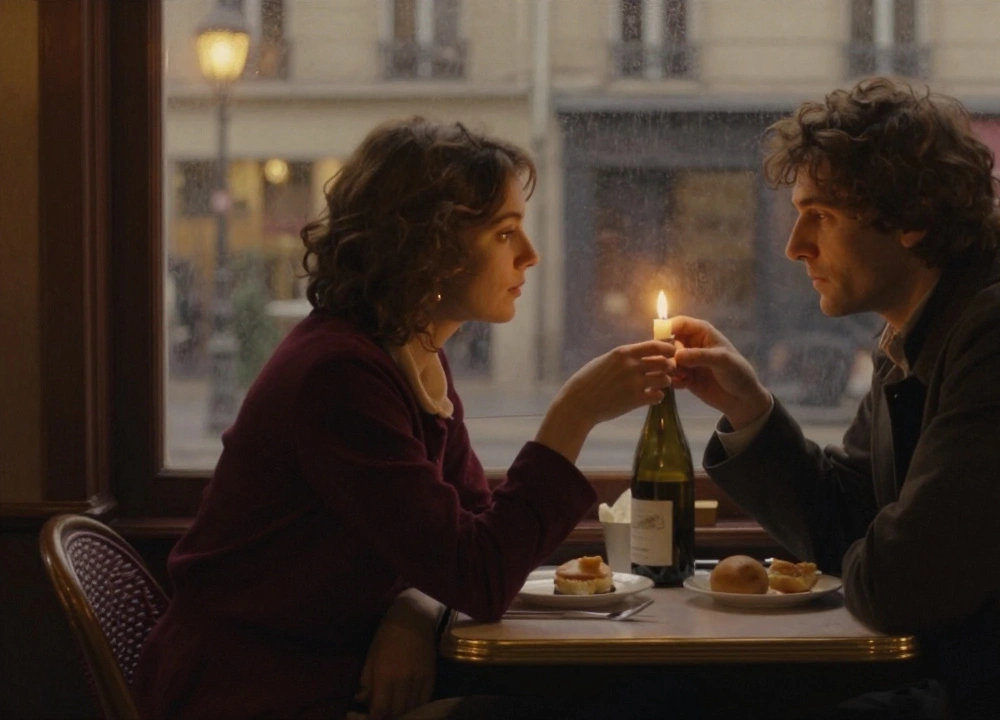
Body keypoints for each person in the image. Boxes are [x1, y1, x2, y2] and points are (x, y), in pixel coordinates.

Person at [670, 78, 1000, 719]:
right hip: (991, 676)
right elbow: (852, 520)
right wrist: (749, 410)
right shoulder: (930, 322)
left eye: (821, 215)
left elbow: (900, 587)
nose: (795, 246)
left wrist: (877, 545)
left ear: (913, 216)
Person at [132, 118, 676, 720]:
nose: (530, 255)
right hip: (251, 691)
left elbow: (463, 534)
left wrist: (413, 607)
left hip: (320, 671)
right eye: (505, 233)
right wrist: (573, 415)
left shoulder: (406, 354)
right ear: (430, 247)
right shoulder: (339, 376)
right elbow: (480, 575)